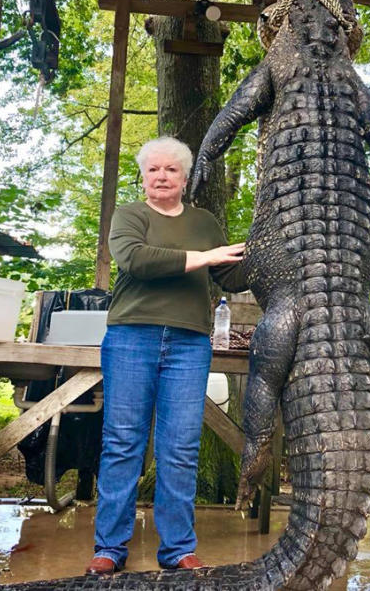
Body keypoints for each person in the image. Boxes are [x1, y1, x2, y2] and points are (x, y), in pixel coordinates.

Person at [85, 136, 248, 574]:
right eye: (153, 169)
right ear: (144, 176)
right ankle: (109, 549)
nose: (161, 176)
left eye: (170, 170)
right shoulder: (129, 216)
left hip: (189, 342)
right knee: (123, 443)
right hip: (131, 338)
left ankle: (178, 549)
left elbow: (227, 274)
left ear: (184, 177)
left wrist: (260, 252)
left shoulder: (205, 223)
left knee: (180, 447)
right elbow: (137, 260)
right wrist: (206, 256)